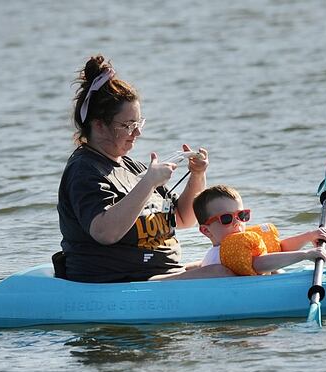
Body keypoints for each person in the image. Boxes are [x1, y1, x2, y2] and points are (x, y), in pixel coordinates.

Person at [57, 54, 231, 282]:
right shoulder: (84, 170)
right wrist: (148, 183)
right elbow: (104, 232)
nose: (137, 133)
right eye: (128, 125)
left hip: (162, 276)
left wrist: (197, 175)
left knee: (232, 261)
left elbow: (183, 218)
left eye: (139, 124)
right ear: (99, 126)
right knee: (221, 272)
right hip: (119, 282)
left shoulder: (131, 167)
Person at [192, 185, 326, 275]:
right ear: (206, 231)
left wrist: (308, 236)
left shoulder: (243, 245)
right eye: (226, 218)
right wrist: (305, 255)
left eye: (241, 215)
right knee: (274, 269)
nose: (237, 223)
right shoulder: (218, 255)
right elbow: (258, 264)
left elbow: (279, 249)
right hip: (240, 296)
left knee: (276, 268)